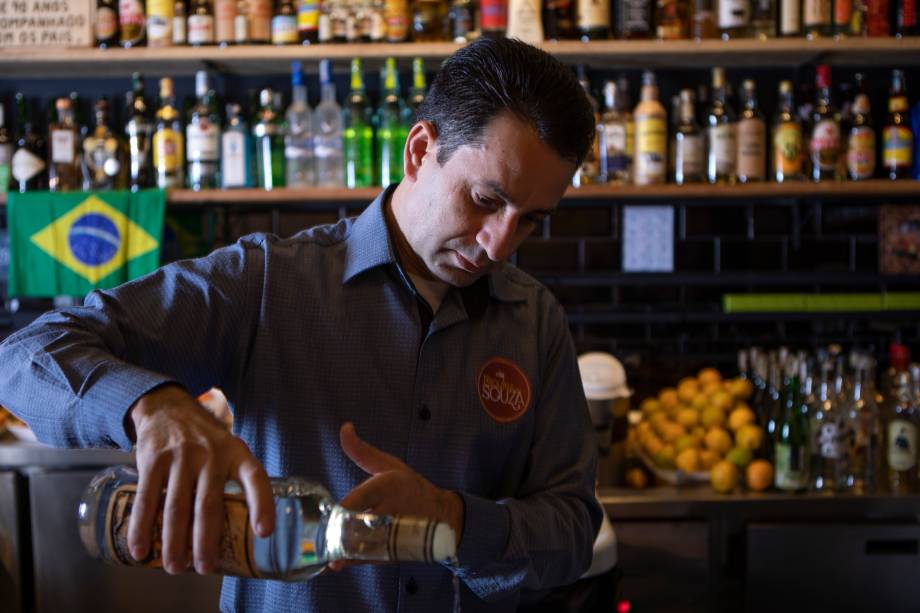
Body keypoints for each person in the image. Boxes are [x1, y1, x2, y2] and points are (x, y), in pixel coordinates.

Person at [0, 38, 602, 612]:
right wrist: (153, 407)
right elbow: (26, 356)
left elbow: (573, 529)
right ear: (420, 150)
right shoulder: (267, 282)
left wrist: (453, 519)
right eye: (486, 200)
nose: (500, 246)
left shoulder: (535, 318)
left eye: (530, 220)